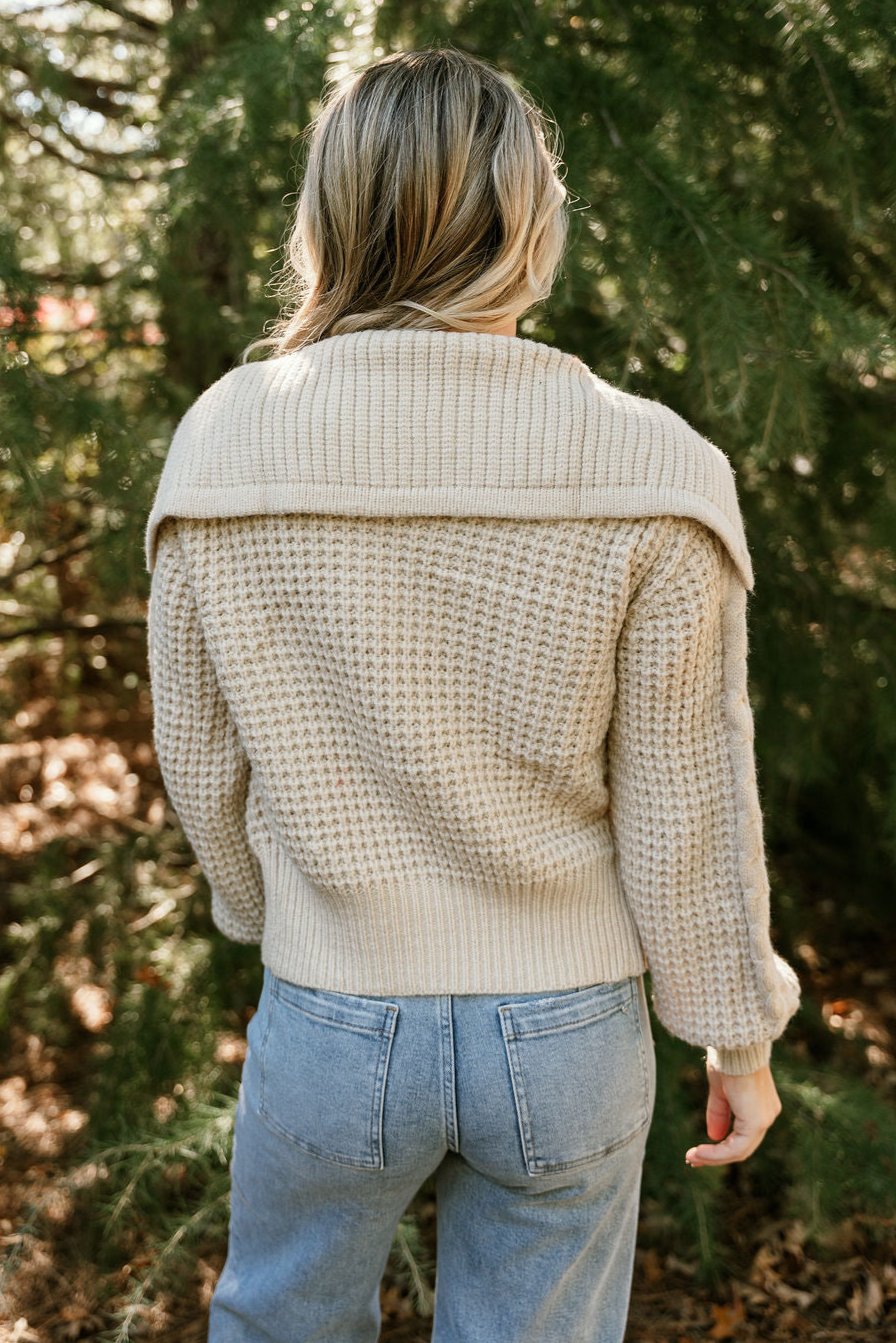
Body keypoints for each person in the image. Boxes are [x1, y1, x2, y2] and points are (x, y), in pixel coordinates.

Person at [144, 45, 802, 1343]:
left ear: (330, 215)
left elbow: (199, 760)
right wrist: (737, 1041)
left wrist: (278, 912)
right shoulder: (654, 462)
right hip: (569, 1033)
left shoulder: (226, 436)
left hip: (330, 1012)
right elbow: (692, 810)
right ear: (530, 218)